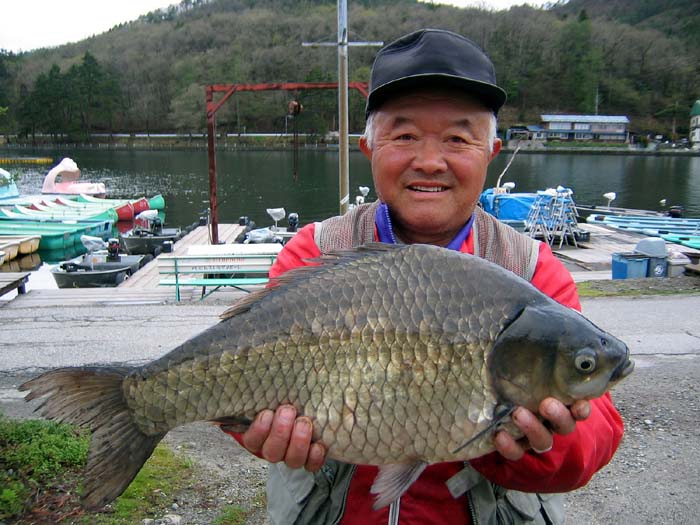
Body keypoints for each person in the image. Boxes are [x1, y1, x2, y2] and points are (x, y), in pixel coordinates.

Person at [222, 28, 624, 524]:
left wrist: (545, 443)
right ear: (369, 149)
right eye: (405, 135)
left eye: (457, 138)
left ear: (490, 151)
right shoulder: (314, 253)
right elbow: (237, 373)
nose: (430, 161)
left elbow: (596, 435)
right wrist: (255, 431)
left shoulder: (532, 270)